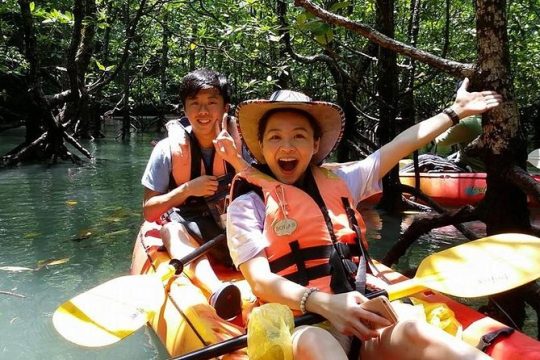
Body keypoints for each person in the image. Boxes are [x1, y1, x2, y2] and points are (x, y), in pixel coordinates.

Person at [226, 79, 501, 359]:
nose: (287, 146)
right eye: (275, 137)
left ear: (315, 143)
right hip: (301, 321)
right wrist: (323, 304)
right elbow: (259, 281)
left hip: (363, 310)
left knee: (414, 332)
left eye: (299, 136)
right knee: (316, 342)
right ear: (260, 144)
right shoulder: (248, 203)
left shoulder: (344, 181)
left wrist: (456, 112)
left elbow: (399, 145)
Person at [141, 69, 249, 320]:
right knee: (169, 230)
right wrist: (188, 189)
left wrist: (236, 159)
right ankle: (216, 291)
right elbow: (149, 210)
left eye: (212, 103)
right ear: (185, 109)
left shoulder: (243, 143)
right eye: (195, 104)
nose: (203, 112)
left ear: (225, 108)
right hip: (192, 230)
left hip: (235, 226)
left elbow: (266, 188)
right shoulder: (166, 150)